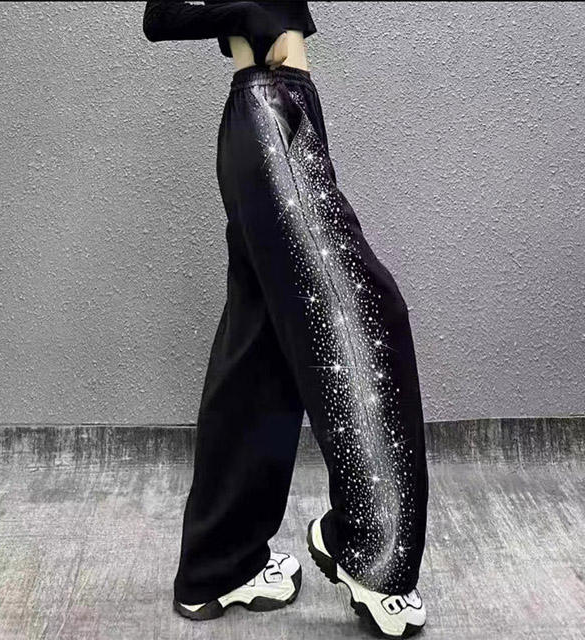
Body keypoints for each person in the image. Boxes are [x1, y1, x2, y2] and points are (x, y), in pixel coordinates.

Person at [142, 2, 429, 637]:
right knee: (369, 318)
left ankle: (219, 564)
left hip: (274, 112)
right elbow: (159, 16)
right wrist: (251, 17)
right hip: (271, 110)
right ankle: (369, 551)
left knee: (258, 350)